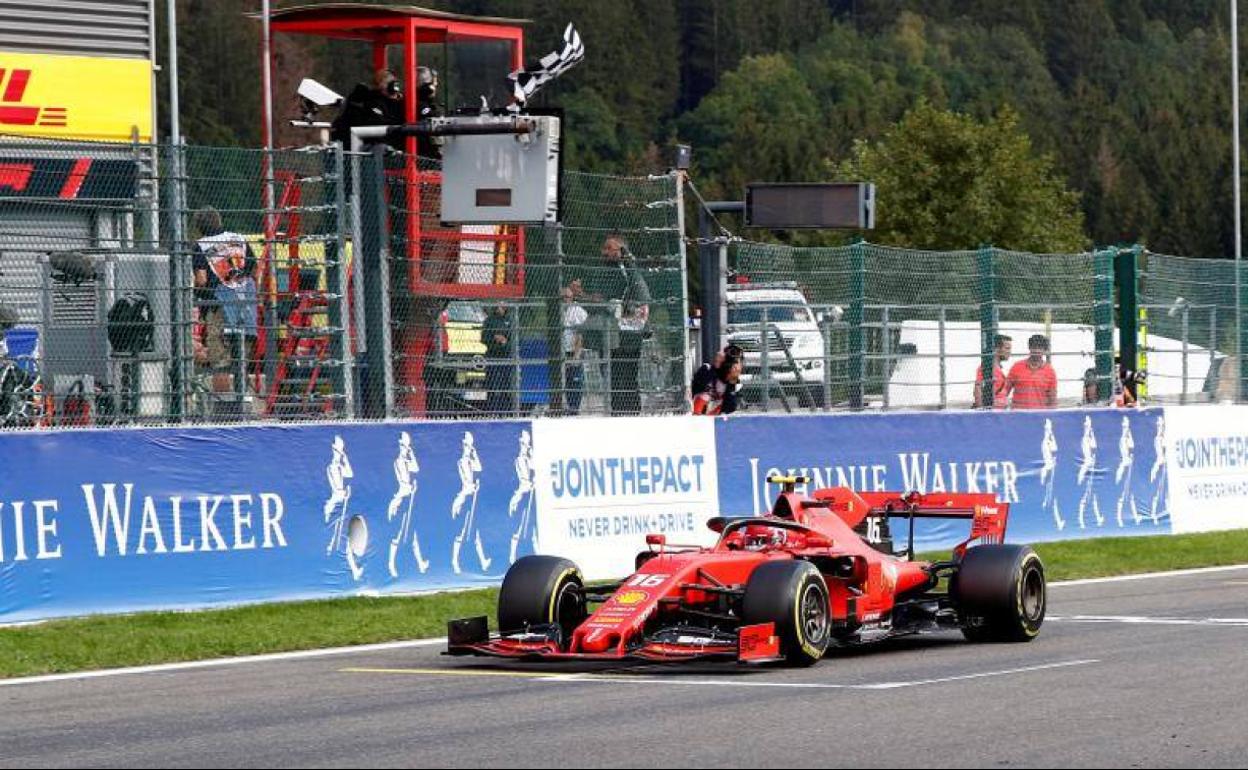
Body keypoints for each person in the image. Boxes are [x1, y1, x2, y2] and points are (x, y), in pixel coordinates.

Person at [192, 207, 259, 396]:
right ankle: (241, 400)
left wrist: (196, 297)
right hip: (244, 305)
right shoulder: (239, 239)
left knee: (220, 361)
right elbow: (254, 270)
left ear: (199, 227)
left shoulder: (201, 246)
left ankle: (224, 408)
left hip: (218, 306)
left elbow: (201, 280)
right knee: (241, 359)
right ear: (219, 221)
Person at [583, 234, 651, 415]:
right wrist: (582, 295)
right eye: (604, 248)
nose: (603, 252)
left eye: (608, 248)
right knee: (611, 375)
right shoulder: (603, 271)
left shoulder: (628, 270)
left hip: (628, 334)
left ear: (620, 250)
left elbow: (639, 291)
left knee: (627, 375)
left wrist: (626, 258)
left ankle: (630, 413)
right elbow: (598, 300)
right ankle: (617, 412)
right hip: (610, 333)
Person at [330, 68, 406, 150]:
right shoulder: (373, 101)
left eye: (392, 81)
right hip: (377, 144)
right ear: (380, 85)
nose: (392, 86)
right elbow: (379, 121)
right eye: (386, 82)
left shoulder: (403, 101)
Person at [1005, 334, 1058, 409]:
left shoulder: (1050, 372)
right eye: (1034, 347)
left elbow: (1052, 400)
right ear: (1029, 348)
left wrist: (1051, 416)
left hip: (1039, 416)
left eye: (1039, 348)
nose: (1036, 350)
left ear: (1044, 350)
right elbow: (1005, 391)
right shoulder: (1016, 367)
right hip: (1018, 415)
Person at [560, 278, 588, 415]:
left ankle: (574, 407)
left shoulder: (577, 310)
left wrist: (577, 354)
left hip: (574, 351)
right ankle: (566, 405)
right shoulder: (558, 311)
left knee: (575, 379)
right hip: (562, 351)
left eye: (568, 297)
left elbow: (580, 334)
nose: (565, 299)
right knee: (565, 380)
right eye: (563, 297)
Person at [481, 304, 515, 417]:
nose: (500, 306)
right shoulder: (489, 321)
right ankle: (491, 411)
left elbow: (513, 341)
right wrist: (494, 339)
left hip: (506, 357)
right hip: (492, 356)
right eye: (499, 304)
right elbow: (484, 339)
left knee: (506, 384)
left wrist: (504, 342)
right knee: (492, 384)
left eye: (503, 304)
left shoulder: (510, 320)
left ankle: (507, 411)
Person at [974, 334, 1012, 409]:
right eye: (1007, 348)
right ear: (997, 349)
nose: (1009, 352)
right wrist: (982, 412)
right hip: (992, 412)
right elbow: (978, 389)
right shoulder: (986, 368)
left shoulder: (998, 368)